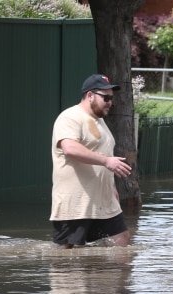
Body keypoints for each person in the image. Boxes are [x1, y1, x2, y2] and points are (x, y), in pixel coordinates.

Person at [50, 73, 132, 248]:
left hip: (104, 203)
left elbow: (103, 154)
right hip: (76, 204)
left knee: (121, 243)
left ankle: (104, 277)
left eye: (112, 98)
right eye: (106, 98)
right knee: (70, 258)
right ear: (90, 95)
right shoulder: (70, 117)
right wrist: (106, 161)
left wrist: (112, 189)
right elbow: (70, 148)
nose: (111, 102)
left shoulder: (100, 121)